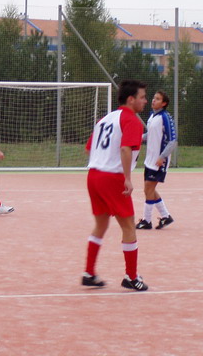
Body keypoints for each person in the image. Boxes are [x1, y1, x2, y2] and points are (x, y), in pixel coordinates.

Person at [82, 79, 148, 291]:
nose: (145, 101)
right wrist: (127, 178)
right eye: (142, 97)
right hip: (112, 177)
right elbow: (125, 149)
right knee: (128, 226)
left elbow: (89, 148)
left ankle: (89, 273)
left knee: (101, 225)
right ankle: (131, 277)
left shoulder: (105, 119)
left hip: (94, 175)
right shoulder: (132, 120)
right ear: (131, 99)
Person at [136, 90, 177, 230]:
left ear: (164, 103)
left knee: (148, 188)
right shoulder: (152, 116)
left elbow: (172, 141)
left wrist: (162, 157)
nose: (154, 100)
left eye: (158, 99)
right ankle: (166, 216)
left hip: (159, 161)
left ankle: (146, 220)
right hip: (150, 159)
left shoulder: (165, 117)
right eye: (154, 98)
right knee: (149, 189)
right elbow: (151, 134)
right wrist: (138, 138)